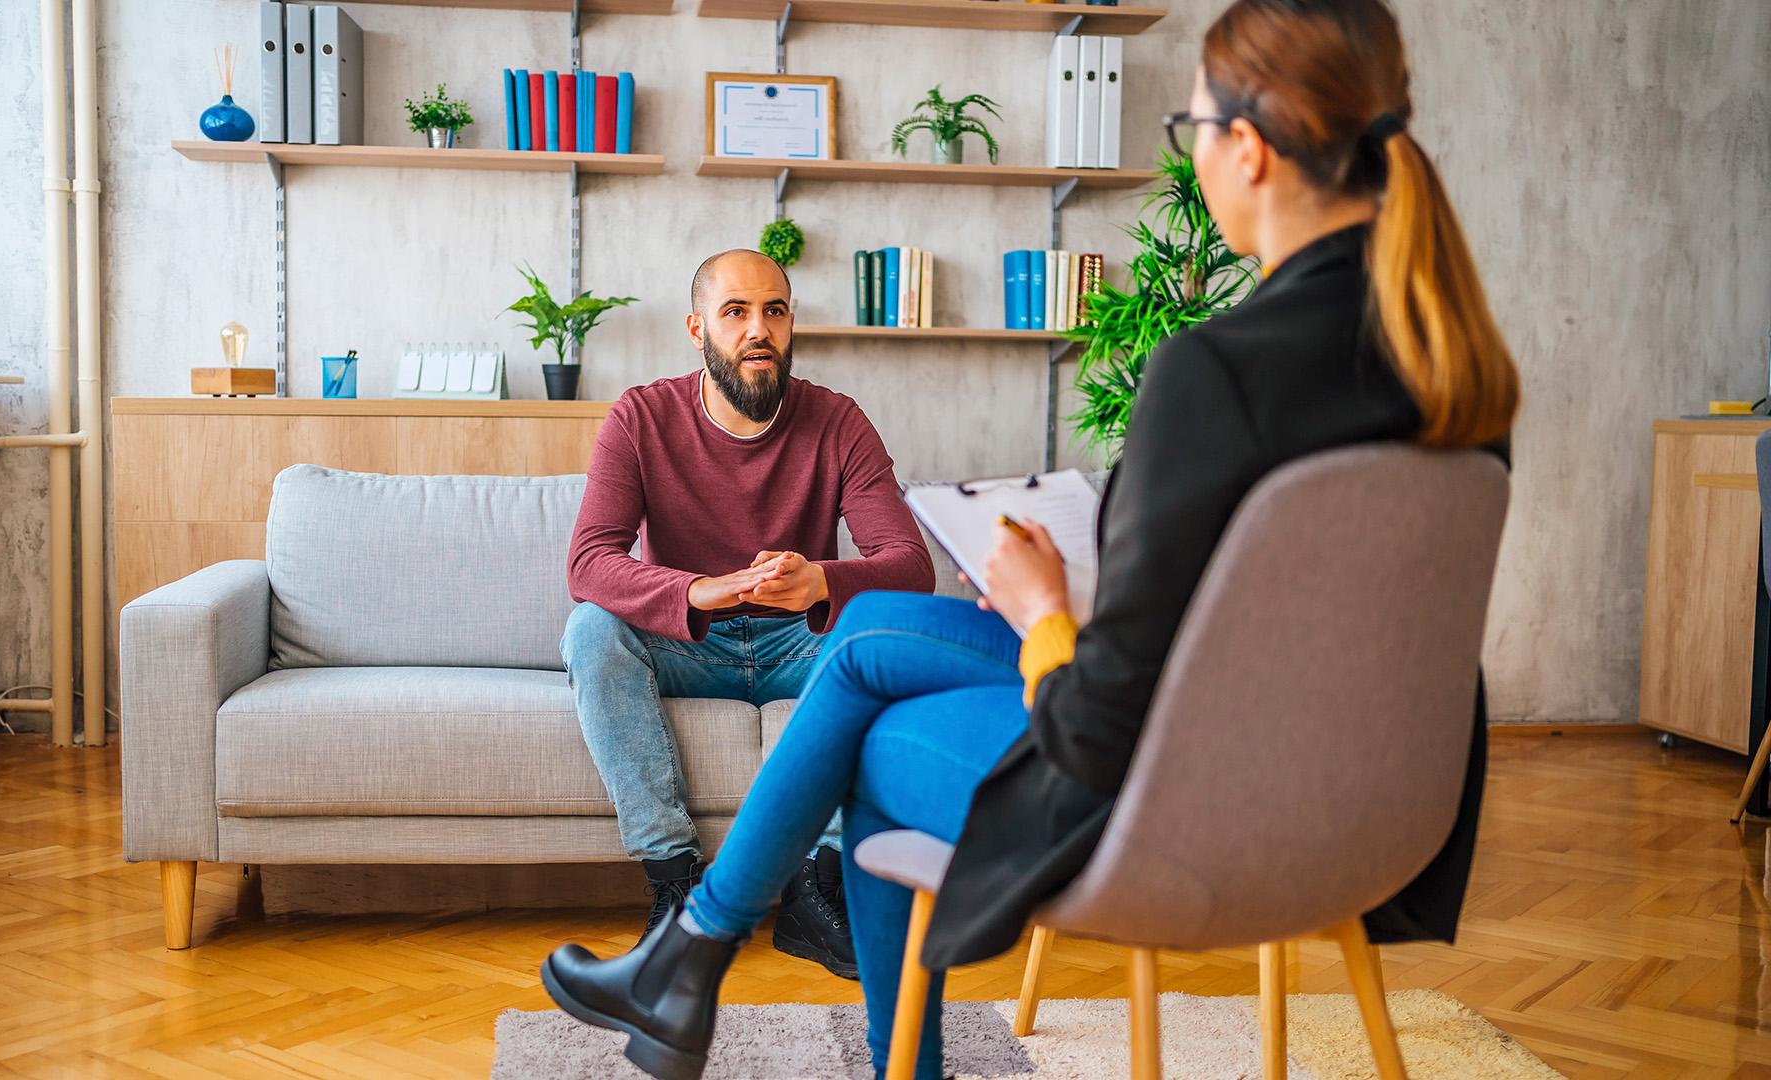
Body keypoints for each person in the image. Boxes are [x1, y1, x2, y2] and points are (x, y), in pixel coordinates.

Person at [540, 0, 1521, 1075]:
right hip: (1364, 808)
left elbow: (1102, 716)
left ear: (1247, 148)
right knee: (869, 637)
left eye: (1190, 130)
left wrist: (1050, 605)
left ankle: (714, 969)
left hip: (1183, 805)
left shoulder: (1218, 374)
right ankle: (691, 951)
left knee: (863, 726)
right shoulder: (1452, 364)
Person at [561, 248, 935, 977]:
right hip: (690, 646)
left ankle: (812, 893)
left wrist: (822, 582)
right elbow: (588, 562)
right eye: (736, 312)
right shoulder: (640, 417)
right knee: (591, 629)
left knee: (881, 636)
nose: (758, 329)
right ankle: (676, 890)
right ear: (698, 329)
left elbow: (910, 564)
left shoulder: (838, 421)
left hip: (802, 643)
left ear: (792, 324)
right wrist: (693, 591)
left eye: (774, 311)